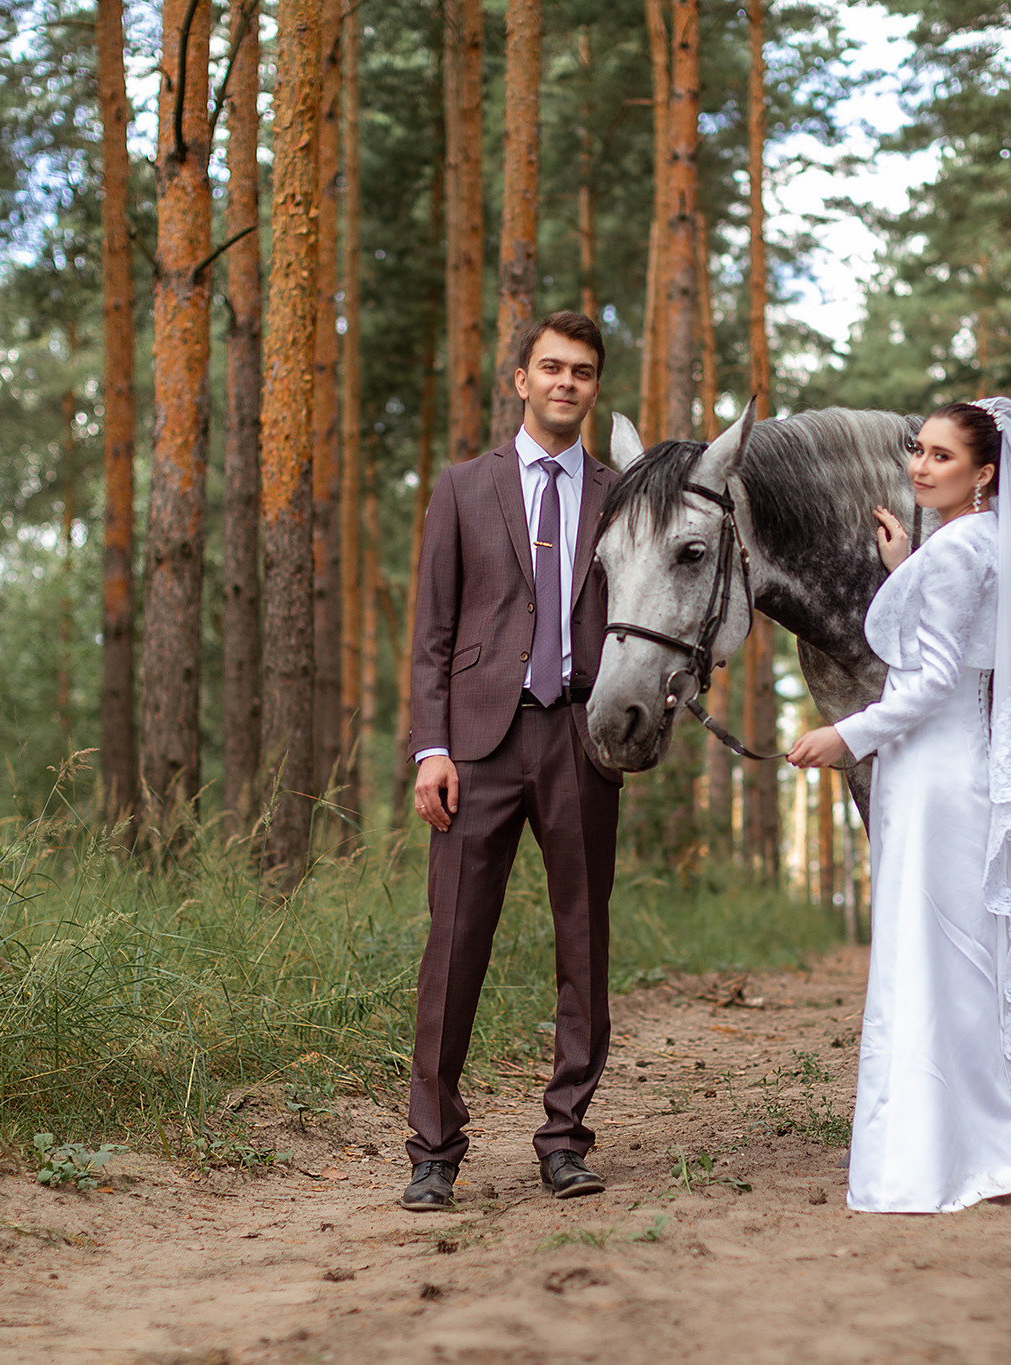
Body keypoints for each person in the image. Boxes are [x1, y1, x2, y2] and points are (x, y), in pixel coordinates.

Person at [786, 396, 1011, 1213]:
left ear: (983, 474)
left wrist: (846, 736)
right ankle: (995, 1140)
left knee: (933, 958)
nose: (919, 466)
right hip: (962, 764)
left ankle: (944, 1150)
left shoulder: (956, 551)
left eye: (941, 456)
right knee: (965, 958)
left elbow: (932, 679)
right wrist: (909, 566)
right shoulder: (981, 544)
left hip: (933, 774)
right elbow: (965, 644)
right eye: (918, 450)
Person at [400, 311, 625, 1213]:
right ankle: (433, 1149)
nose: (567, 382)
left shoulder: (621, 495)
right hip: (478, 749)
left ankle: (565, 1138)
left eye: (583, 371)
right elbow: (433, 634)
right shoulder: (462, 488)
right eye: (552, 368)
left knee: (584, 944)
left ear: (594, 387)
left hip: (581, 741)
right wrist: (432, 747)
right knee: (454, 945)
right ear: (520, 380)